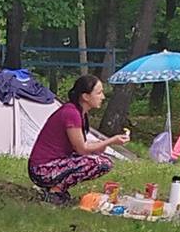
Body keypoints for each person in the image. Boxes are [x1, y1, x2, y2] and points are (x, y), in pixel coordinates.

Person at [27, 75, 129, 204]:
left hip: (52, 164)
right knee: (100, 163)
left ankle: (57, 190)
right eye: (99, 93)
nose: (102, 97)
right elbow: (81, 149)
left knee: (99, 158)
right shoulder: (72, 113)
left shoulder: (79, 113)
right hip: (42, 169)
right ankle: (55, 192)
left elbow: (81, 145)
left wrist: (100, 145)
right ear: (85, 96)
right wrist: (111, 141)